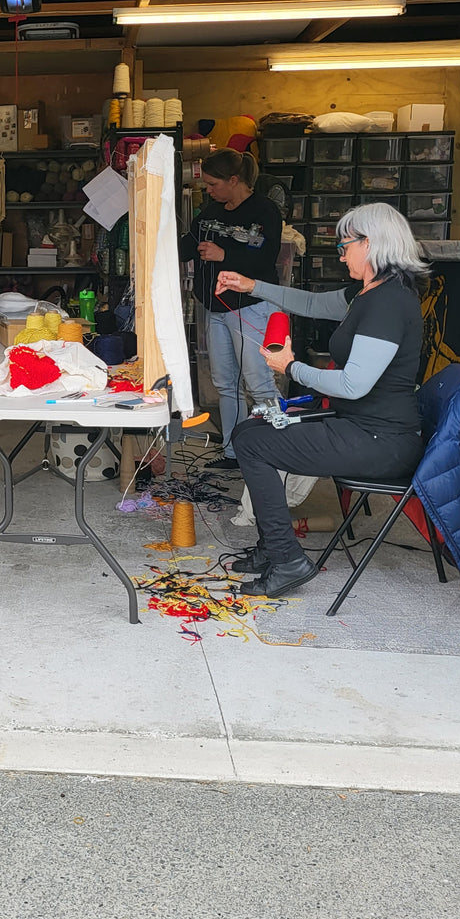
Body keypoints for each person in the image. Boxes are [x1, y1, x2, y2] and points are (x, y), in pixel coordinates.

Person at [216, 203, 427, 597]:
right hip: (363, 427)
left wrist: (290, 367)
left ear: (371, 244)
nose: (341, 253)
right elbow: (312, 304)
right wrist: (252, 286)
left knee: (254, 443)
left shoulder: (388, 304)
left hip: (381, 441)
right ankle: (273, 548)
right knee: (249, 432)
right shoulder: (367, 293)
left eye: (345, 245)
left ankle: (286, 558)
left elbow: (352, 385)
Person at [180, 148, 283, 469]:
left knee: (259, 382)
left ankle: (281, 452)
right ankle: (233, 453)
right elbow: (188, 245)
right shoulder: (212, 211)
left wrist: (224, 255)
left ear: (234, 180)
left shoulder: (264, 211)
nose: (208, 190)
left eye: (212, 184)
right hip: (215, 307)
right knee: (225, 383)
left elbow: (266, 259)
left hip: (250, 306)